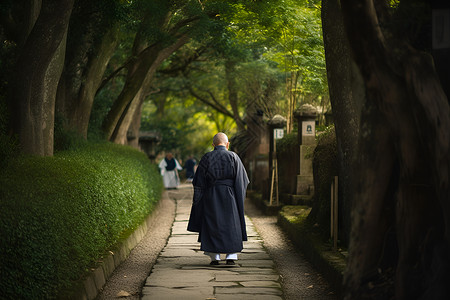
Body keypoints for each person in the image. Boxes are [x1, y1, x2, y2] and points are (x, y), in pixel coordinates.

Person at [187, 132, 249, 266]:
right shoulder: (234, 157)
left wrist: (200, 199)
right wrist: (239, 197)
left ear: (213, 145)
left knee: (212, 222)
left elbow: (198, 181)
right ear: (227, 144)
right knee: (231, 223)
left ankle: (215, 257)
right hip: (230, 195)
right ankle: (231, 256)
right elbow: (242, 180)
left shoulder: (207, 157)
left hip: (211, 195)